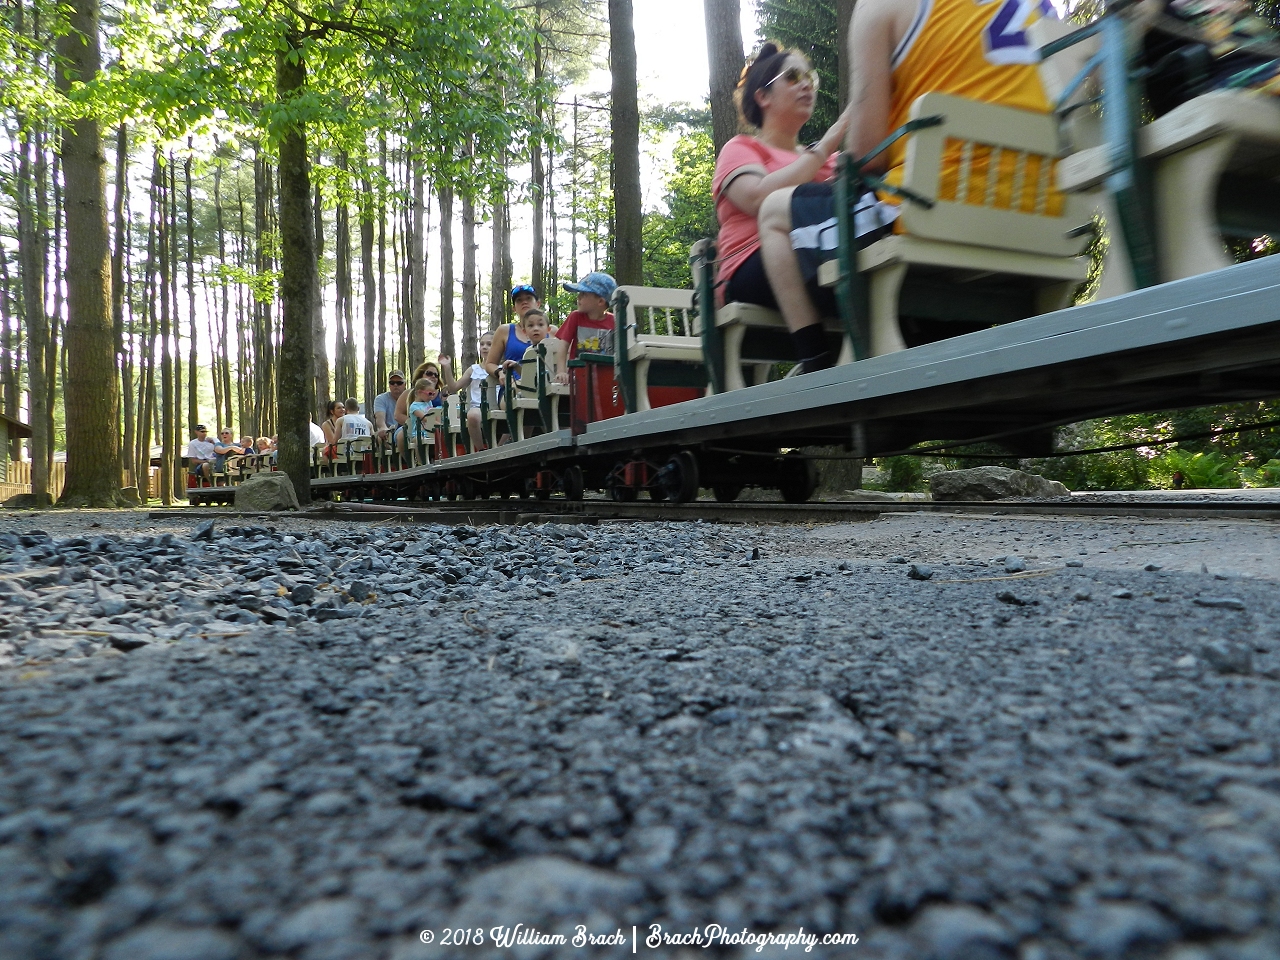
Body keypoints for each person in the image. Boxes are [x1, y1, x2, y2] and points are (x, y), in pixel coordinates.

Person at [756, 0, 1063, 371]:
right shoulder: (1041, 4)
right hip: (1050, 210)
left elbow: (868, 155)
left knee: (774, 211)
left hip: (942, 210)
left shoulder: (879, 7)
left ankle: (816, 362)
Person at [711, 44, 851, 374]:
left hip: (817, 253)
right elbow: (757, 199)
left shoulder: (828, 160)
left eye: (810, 78)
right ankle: (816, 360)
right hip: (749, 264)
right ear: (763, 96)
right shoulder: (741, 148)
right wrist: (826, 146)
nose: (807, 84)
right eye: (793, 77)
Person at [444, 329, 495, 452]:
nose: (484, 347)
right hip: (478, 406)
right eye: (482, 344)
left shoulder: (501, 368)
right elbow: (453, 388)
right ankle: (481, 449)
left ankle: (501, 445)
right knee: (472, 416)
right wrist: (446, 367)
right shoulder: (474, 369)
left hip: (498, 404)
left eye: (489, 344)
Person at [555, 272, 618, 368]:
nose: (578, 297)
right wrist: (561, 371)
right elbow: (563, 346)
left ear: (600, 301)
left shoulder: (614, 321)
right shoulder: (575, 317)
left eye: (583, 294)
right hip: (578, 373)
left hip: (606, 374)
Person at [485, 284, 544, 379]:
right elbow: (490, 364)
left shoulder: (551, 331)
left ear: (538, 304)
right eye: (519, 300)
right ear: (514, 309)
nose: (524, 302)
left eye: (528, 298)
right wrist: (500, 372)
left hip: (547, 388)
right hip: (514, 387)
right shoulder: (505, 330)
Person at [372, 371, 406, 447]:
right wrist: (383, 428)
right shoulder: (381, 399)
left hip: (406, 431)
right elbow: (379, 418)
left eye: (399, 383)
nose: (395, 385)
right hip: (389, 431)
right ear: (389, 385)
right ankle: (392, 458)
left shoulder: (410, 398)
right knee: (382, 437)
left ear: (405, 384)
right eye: (392, 383)